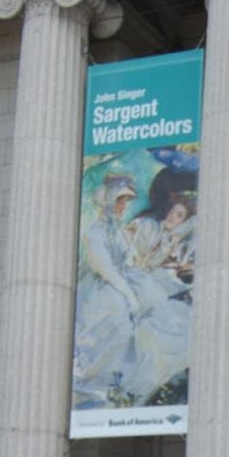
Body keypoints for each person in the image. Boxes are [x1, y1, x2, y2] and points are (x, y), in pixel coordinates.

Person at [73, 174, 192, 407]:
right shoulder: (95, 233)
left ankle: (139, 377)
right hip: (102, 289)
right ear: (107, 201)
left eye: (125, 202)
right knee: (120, 316)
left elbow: (131, 261)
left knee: (158, 307)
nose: (122, 206)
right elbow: (106, 269)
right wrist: (129, 292)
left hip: (124, 280)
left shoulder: (116, 232)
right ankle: (104, 380)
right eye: (119, 200)